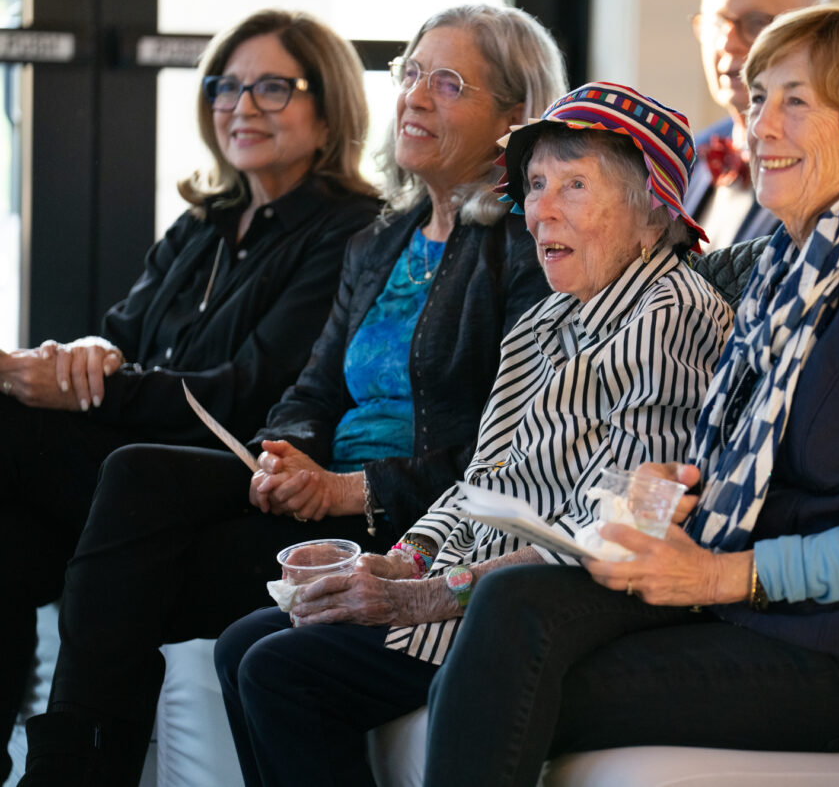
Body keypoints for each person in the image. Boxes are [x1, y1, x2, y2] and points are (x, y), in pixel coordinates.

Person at [422, 7, 839, 785]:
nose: (761, 123)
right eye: (758, 98)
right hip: (751, 605)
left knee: (499, 674)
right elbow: (753, 465)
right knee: (512, 603)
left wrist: (718, 577)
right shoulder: (794, 264)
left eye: (796, 100)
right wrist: (665, 492)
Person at [15, 5, 566, 787]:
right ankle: (66, 768)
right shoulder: (382, 241)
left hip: (408, 516)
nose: (414, 95)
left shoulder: (528, 247)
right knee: (133, 478)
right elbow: (309, 391)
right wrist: (288, 453)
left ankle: (70, 773)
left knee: (129, 567)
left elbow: (508, 445)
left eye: (448, 83)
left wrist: (348, 487)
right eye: (410, 73)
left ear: (515, 118)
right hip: (321, 494)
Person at [214, 81, 731, 787]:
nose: (541, 210)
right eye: (537, 184)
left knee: (280, 670)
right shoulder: (546, 319)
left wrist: (427, 595)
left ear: (653, 211)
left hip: (534, 606)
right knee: (242, 643)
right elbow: (481, 477)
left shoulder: (669, 314)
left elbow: (624, 527)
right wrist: (404, 560)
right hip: (466, 582)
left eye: (575, 185)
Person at [0, 9, 381, 781]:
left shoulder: (352, 231)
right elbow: (122, 338)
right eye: (226, 87)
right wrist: (85, 356)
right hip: (132, 461)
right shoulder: (204, 222)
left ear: (328, 107)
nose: (241, 107)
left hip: (226, 470)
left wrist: (93, 387)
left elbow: (251, 391)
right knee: (6, 532)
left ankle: (70, 768)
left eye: (272, 88)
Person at [682, 0, 817, 258]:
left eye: (756, 23)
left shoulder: (828, 174)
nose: (726, 44)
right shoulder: (689, 154)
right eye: (716, 23)